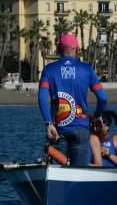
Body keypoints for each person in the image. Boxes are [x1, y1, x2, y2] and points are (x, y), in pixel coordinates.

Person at [38, 33, 107, 167]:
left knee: (56, 170)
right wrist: (98, 115)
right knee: (79, 171)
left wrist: (48, 123)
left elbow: (41, 98)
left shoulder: (49, 70)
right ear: (76, 50)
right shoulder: (87, 69)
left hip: (57, 129)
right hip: (81, 128)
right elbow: (103, 98)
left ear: (59, 49)